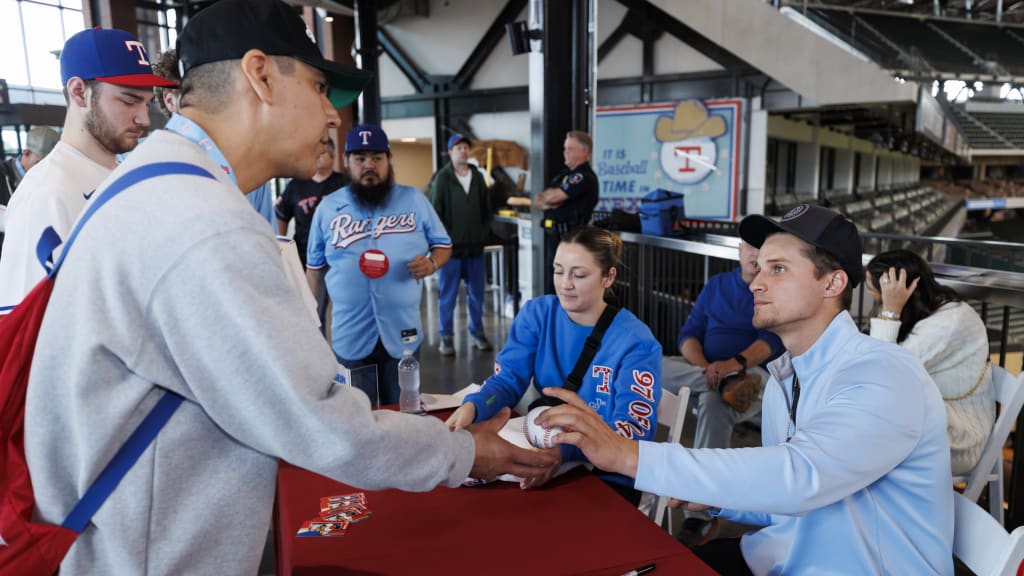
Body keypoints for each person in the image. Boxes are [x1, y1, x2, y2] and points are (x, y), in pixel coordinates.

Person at [25, 1, 555, 573]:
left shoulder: (150, 181)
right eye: (320, 87)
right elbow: (322, 423)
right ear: (260, 75)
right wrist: (464, 453)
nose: (333, 116)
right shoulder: (202, 220)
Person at [538, 205, 954, 575]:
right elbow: (793, 501)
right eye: (760, 266)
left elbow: (801, 477)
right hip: (781, 555)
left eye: (778, 269)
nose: (755, 281)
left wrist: (628, 454)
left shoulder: (882, 373)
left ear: (833, 284)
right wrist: (715, 499)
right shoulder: (785, 379)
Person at [446, 226, 662, 505]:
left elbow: (635, 433)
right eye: (558, 271)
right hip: (548, 450)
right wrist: (473, 407)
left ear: (608, 277)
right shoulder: (538, 314)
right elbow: (507, 381)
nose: (565, 284)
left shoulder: (636, 342)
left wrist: (565, 451)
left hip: (606, 476)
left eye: (579, 274)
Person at [0, 28, 175, 314]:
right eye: (129, 101)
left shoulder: (125, 174)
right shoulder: (48, 194)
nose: (144, 118)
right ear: (79, 92)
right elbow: (23, 331)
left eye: (147, 103)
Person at [307, 123, 452, 406]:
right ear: (347, 162)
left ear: (389, 160)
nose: (369, 165)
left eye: (377, 157)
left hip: (403, 331)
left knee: (405, 412)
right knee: (358, 416)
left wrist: (432, 263)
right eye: (360, 159)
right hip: (350, 333)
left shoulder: (413, 200)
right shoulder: (328, 208)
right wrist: (309, 325)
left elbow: (443, 244)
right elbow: (314, 270)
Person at [661, 239, 784, 542]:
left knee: (713, 403)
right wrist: (709, 370)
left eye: (762, 249)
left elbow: (772, 341)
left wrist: (733, 364)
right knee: (649, 365)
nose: (755, 255)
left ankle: (698, 515)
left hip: (753, 373)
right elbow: (689, 334)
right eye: (750, 247)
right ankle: (711, 382)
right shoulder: (717, 284)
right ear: (741, 250)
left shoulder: (774, 287)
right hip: (708, 370)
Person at [866, 249, 995, 476]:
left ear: (900, 292)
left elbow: (881, 373)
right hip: (920, 421)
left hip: (956, 440)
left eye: (873, 290)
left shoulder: (950, 320)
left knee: (859, 442)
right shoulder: (920, 313)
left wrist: (889, 311)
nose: (872, 297)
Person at [148, 47, 276, 226]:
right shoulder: (142, 165)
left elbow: (271, 241)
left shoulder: (248, 165)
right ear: (170, 101)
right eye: (193, 93)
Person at [429, 133, 496, 356]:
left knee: (477, 293)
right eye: (458, 147)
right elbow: (435, 213)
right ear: (450, 152)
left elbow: (488, 209)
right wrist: (444, 241)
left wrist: (483, 232)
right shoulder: (443, 178)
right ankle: (446, 337)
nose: (463, 151)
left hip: (475, 248)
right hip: (451, 252)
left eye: (466, 147)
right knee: (448, 295)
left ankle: (477, 332)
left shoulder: (477, 177)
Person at [509, 130, 598, 295]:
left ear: (584, 151)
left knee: (568, 287)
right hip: (555, 238)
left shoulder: (583, 177)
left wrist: (554, 199)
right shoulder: (564, 176)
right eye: (565, 148)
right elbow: (540, 200)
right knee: (553, 285)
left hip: (573, 240)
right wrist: (552, 200)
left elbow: (555, 196)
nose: (565, 152)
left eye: (570, 149)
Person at [276, 138, 349, 267]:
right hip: (303, 257)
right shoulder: (296, 185)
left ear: (333, 157)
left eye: (323, 152)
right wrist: (280, 248)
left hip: (338, 256)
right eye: (315, 152)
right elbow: (281, 216)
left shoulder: (345, 184)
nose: (318, 156)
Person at [0, 126, 60, 253]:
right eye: (39, 163)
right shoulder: (2, 177)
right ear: (26, 153)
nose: (45, 169)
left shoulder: (52, 181)